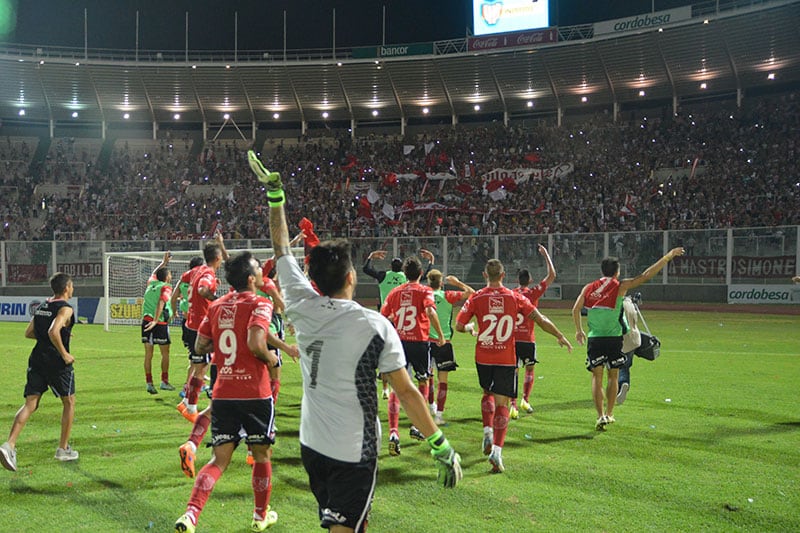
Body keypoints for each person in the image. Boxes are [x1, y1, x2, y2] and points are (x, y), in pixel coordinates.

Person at [249, 149, 461, 533]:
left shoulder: (300, 304)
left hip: (311, 448)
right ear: (351, 279)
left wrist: (276, 197)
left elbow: (281, 248)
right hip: (352, 452)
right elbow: (408, 393)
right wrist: (439, 444)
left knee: (346, 522)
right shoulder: (375, 326)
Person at [174, 252, 280, 533]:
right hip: (255, 392)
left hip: (223, 391)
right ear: (250, 278)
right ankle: (260, 516)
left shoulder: (217, 305)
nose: (261, 272)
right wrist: (270, 358)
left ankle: (191, 515)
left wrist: (221, 347)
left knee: (218, 460)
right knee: (261, 455)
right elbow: (257, 344)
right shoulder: (260, 303)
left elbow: (200, 345)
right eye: (258, 268)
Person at [455, 259, 572, 474]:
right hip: (505, 358)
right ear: (503, 275)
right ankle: (497, 452)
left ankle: (487, 432)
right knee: (503, 404)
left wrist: (471, 327)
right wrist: (560, 335)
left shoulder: (476, 297)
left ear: (484, 275)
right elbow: (540, 319)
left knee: (487, 393)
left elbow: (459, 326)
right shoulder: (515, 297)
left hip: (483, 356)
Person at [572, 247, 684, 431]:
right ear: (617, 272)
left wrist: (579, 330)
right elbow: (646, 275)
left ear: (602, 271)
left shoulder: (588, 288)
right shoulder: (619, 286)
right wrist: (668, 256)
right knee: (613, 375)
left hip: (595, 339)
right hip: (614, 338)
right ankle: (610, 414)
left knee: (596, 377)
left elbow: (575, 309)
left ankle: (599, 416)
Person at [1, 273, 78, 472]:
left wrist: (53, 337)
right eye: (71, 286)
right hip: (57, 363)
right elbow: (53, 331)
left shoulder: (43, 306)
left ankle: (9, 445)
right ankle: (63, 449)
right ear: (66, 288)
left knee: (30, 403)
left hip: (37, 360)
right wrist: (64, 353)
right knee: (69, 402)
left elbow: (29, 333)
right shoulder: (66, 308)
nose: (72, 288)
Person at [381, 256, 446, 456]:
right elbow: (430, 311)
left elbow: (384, 316)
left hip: (399, 343)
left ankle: (393, 433)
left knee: (396, 388)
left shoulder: (395, 292)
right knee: (423, 382)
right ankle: (418, 426)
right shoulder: (425, 290)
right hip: (419, 342)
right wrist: (441, 336)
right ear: (421, 274)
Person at [364, 248, 433, 399]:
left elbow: (366, 269)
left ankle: (385, 389)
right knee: (421, 374)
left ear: (390, 267)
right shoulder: (406, 280)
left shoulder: (383, 276)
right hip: (407, 325)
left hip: (387, 319)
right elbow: (424, 277)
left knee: (387, 355)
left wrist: (370, 257)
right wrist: (431, 262)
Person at [177, 234, 229, 423]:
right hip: (200, 326)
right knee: (201, 368)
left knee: (199, 366)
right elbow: (202, 290)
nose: (222, 260)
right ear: (217, 258)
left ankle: (186, 401)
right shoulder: (207, 274)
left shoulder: (197, 270)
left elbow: (185, 279)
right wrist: (218, 300)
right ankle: (191, 407)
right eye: (221, 257)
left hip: (192, 323)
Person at [510, 244, 556, 418]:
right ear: (529, 280)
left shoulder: (511, 293)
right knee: (529, 369)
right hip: (528, 338)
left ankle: (512, 405)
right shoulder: (533, 293)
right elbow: (552, 275)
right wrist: (546, 255)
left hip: (512, 339)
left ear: (517, 280)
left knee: (513, 370)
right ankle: (525, 400)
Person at [426, 269, 474, 425]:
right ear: (441, 283)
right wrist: (457, 282)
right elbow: (471, 293)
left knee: (428, 377)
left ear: (428, 282)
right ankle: (439, 415)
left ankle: (430, 407)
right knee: (443, 381)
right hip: (444, 342)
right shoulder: (447, 296)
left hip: (426, 342)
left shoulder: (424, 296)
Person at [170, 256, 205, 399]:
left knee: (197, 357)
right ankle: (188, 387)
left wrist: (174, 311)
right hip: (197, 324)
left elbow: (173, 298)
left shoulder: (183, 282)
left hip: (186, 323)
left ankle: (198, 382)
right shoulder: (199, 282)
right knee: (197, 359)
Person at [142, 251, 175, 394]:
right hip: (159, 323)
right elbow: (162, 301)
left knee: (148, 354)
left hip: (145, 321)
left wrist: (163, 262)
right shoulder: (166, 287)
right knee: (165, 353)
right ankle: (164, 381)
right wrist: (156, 320)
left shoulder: (151, 283)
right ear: (167, 277)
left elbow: (154, 274)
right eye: (170, 275)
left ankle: (149, 383)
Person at [616, 294, 643, 406]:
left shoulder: (617, 304)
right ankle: (623, 385)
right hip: (633, 339)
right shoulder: (630, 304)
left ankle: (621, 385)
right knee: (626, 365)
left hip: (621, 339)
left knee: (617, 366)